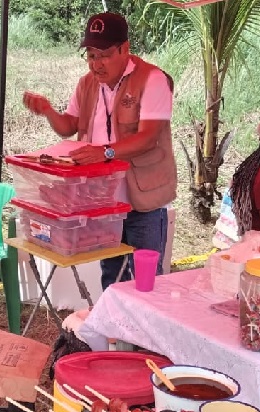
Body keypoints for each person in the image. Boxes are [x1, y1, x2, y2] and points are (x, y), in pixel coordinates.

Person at [22, 12, 176, 290]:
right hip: (102, 200)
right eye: (91, 56)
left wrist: (104, 152)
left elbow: (148, 138)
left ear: (125, 49)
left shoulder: (152, 79)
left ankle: (143, 334)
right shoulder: (86, 83)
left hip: (143, 198)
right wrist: (48, 111)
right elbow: (68, 126)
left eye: (103, 55)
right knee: (111, 275)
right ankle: (114, 333)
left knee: (147, 280)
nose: (96, 64)